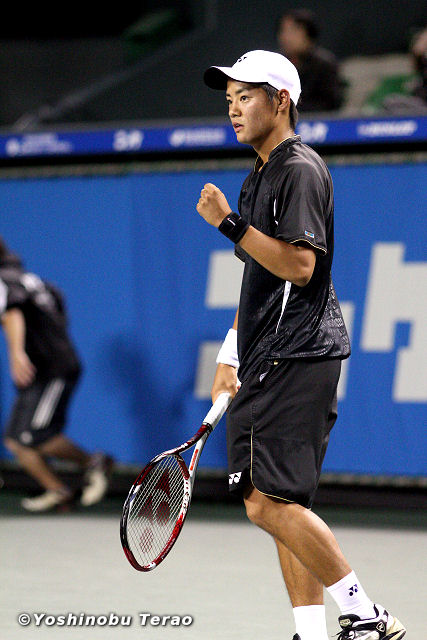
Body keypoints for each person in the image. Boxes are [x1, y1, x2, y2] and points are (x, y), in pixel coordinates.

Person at [197, 50, 406, 640]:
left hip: (297, 353)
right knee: (281, 502)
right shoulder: (259, 173)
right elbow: (259, 279)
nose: (234, 109)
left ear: (281, 100)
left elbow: (300, 266)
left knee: (266, 502)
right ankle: (311, 632)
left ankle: (366, 616)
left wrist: (228, 223)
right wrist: (230, 353)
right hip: (271, 354)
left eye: (246, 97)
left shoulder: (299, 169)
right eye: (229, 99)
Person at [0, 237, 112, 512]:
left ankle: (94, 463)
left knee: (35, 435)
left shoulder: (4, 280)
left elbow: (12, 314)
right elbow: (59, 313)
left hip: (51, 369)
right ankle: (59, 492)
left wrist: (17, 353)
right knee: (15, 440)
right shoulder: (33, 281)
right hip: (45, 367)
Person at [276, 8, 345, 112]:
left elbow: (331, 104)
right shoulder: (275, 64)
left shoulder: (325, 64)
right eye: (283, 31)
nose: (286, 37)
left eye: (293, 31)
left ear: (309, 34)